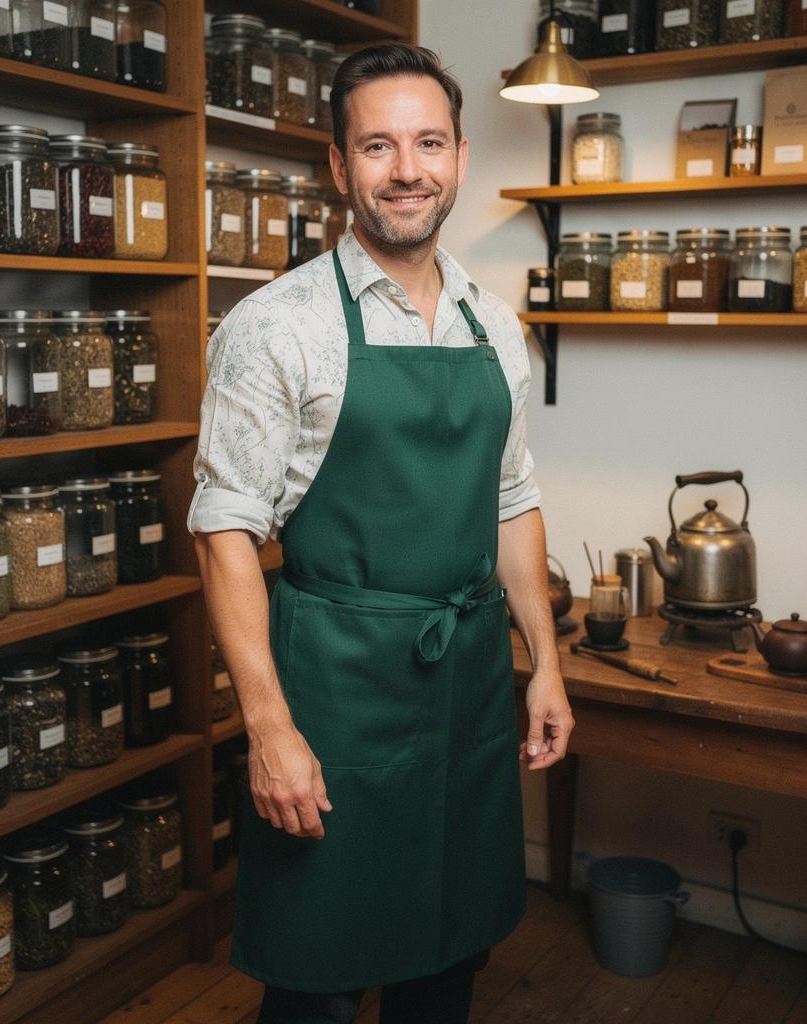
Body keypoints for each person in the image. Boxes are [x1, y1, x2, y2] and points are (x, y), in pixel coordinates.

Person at [189, 43, 574, 1024]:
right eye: (377, 145)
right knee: (320, 972)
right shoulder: (278, 326)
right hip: (335, 693)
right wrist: (268, 731)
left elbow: (511, 499)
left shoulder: (495, 324)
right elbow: (223, 531)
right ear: (338, 165)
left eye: (428, 143)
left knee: (446, 957)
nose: (407, 169)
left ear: (459, 156)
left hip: (465, 691)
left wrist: (544, 662)